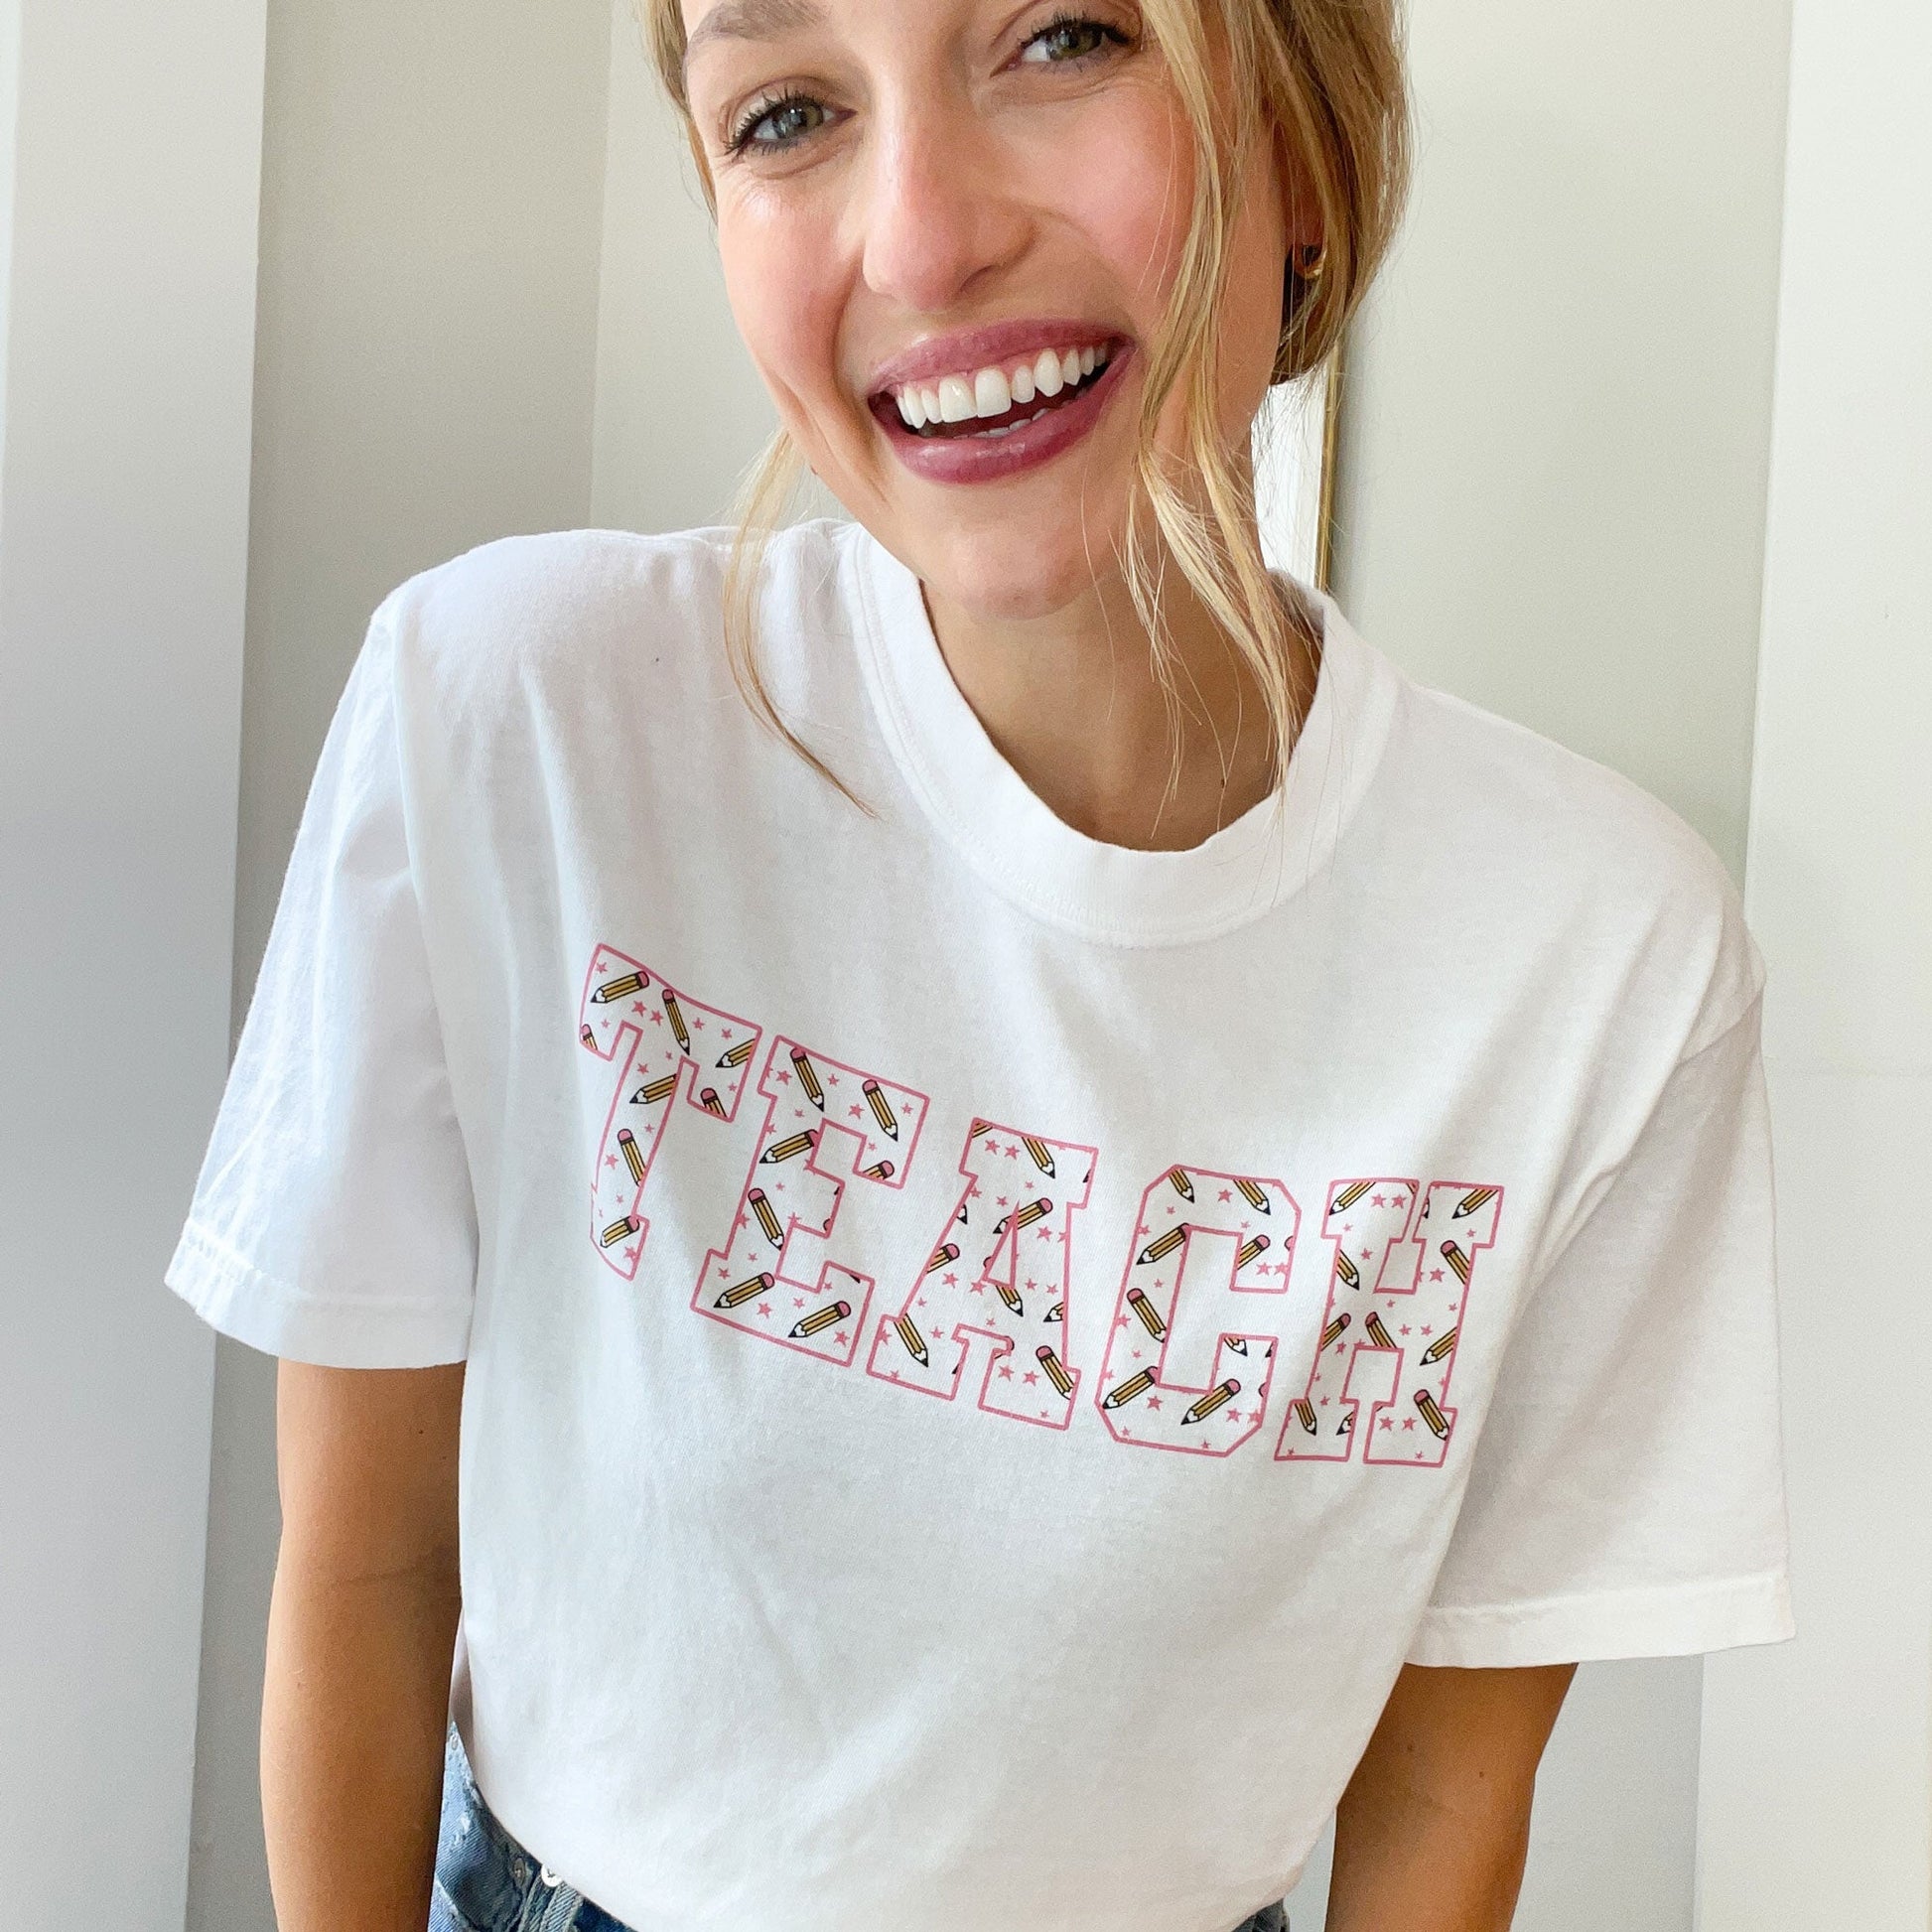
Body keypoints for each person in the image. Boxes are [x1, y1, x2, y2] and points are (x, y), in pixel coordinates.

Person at [164, 0, 1796, 1927]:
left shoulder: (1594, 949)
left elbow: (1446, 1782)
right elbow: (362, 1568)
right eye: (786, 111)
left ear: (1308, 155)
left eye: (1065, 37)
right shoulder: (511, 712)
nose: (920, 239)